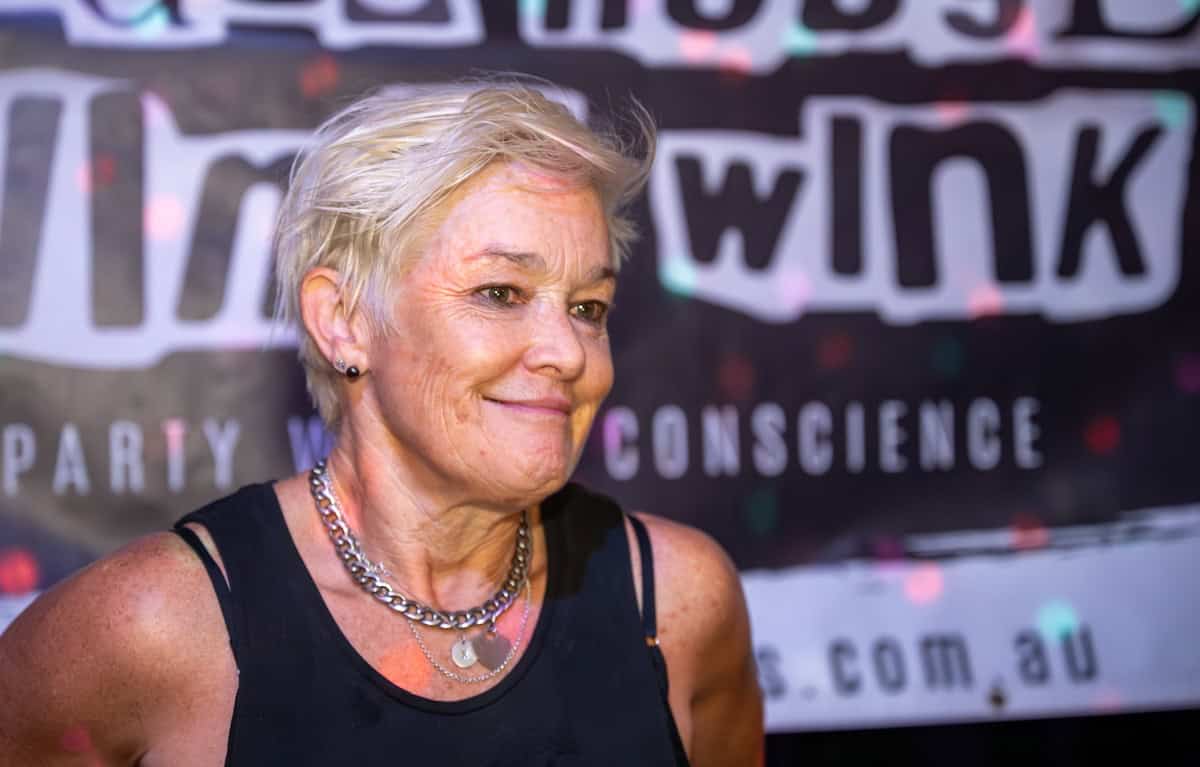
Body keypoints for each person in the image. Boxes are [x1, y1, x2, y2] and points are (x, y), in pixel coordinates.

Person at [0, 82, 763, 765]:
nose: (568, 351)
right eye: (500, 293)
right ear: (343, 321)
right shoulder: (149, 631)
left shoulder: (681, 602)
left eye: (588, 307)